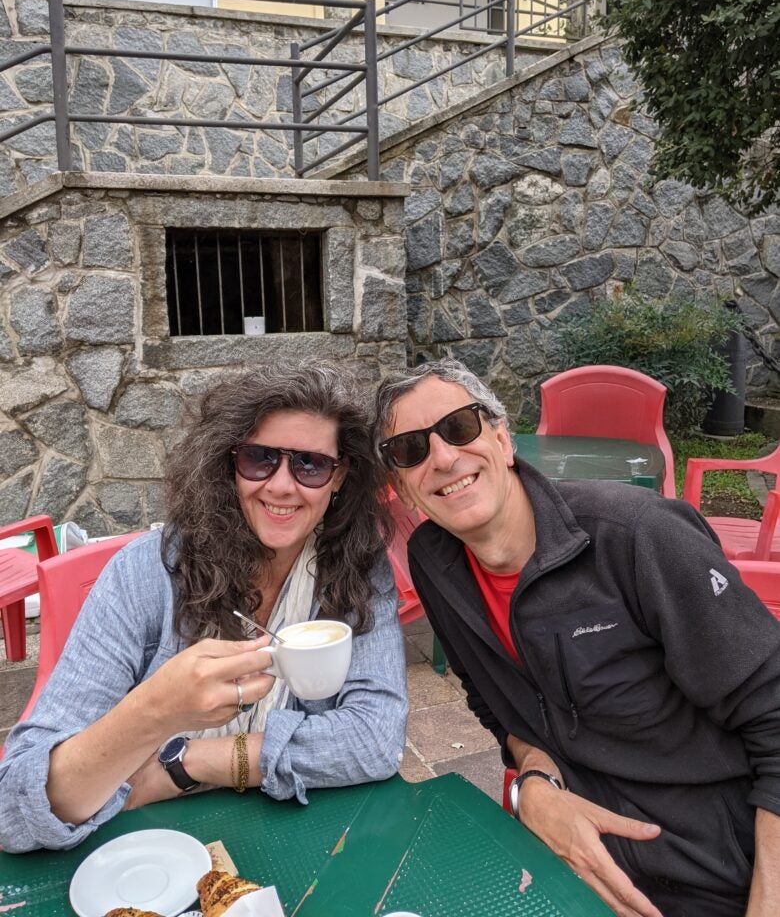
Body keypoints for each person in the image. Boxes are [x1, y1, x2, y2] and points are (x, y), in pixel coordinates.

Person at [373, 358, 780, 917]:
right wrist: (535, 784)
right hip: (571, 869)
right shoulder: (436, 565)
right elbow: (498, 709)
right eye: (410, 450)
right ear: (401, 487)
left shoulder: (638, 538)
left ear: (502, 436)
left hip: (720, 873)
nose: (442, 458)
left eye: (460, 427)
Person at [0, 360, 407, 853]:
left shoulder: (356, 567)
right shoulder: (144, 574)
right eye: (260, 458)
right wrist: (156, 711)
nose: (281, 485)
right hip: (140, 856)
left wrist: (185, 763)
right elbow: (15, 810)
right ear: (227, 463)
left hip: (296, 842)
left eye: (310, 464)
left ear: (340, 476)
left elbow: (376, 738)